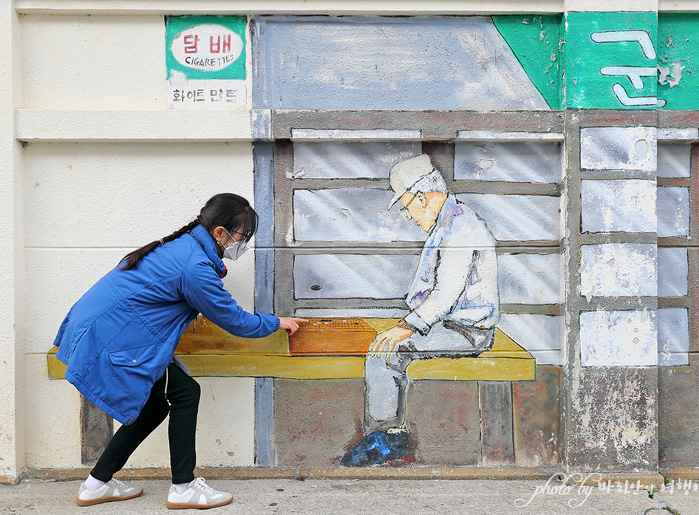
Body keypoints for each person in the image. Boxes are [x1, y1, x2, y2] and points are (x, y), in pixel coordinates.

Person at [53, 193, 306, 509]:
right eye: (242, 237)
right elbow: (234, 320)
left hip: (106, 334)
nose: (243, 245)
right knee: (186, 393)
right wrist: (276, 322)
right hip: (112, 340)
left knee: (156, 404)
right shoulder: (194, 265)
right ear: (219, 233)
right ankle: (184, 487)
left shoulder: (184, 247)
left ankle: (96, 484)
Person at [341, 155, 500, 467]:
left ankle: (387, 439)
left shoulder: (462, 229)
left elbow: (444, 295)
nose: (408, 216)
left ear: (422, 198)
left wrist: (407, 326)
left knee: (387, 351)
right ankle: (387, 434)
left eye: (406, 206)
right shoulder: (450, 222)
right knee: (386, 346)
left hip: (467, 332)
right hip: (451, 325)